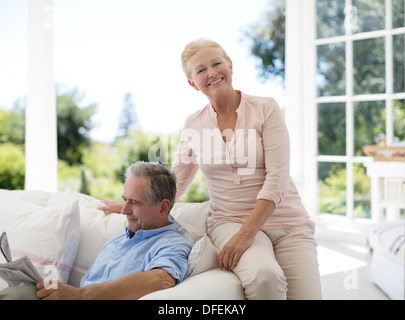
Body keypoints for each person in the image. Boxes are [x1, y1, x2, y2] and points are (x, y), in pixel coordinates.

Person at [100, 39, 322, 300]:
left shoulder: (265, 108)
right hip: (229, 221)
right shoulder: (193, 124)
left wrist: (246, 235)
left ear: (230, 65)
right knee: (265, 277)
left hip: (289, 223)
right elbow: (177, 182)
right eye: (201, 69)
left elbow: (277, 177)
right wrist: (130, 205)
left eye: (217, 63)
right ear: (193, 83)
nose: (212, 72)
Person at [0, 161, 192, 300]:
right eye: (124, 200)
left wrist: (79, 295)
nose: (124, 210)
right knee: (24, 291)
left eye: (134, 202)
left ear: (163, 207)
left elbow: (161, 280)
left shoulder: (172, 243)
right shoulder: (115, 243)